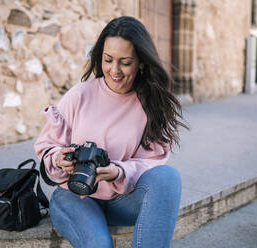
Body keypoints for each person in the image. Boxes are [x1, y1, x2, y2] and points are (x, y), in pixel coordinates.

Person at [34, 16, 188, 248]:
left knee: (168, 178)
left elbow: (153, 163)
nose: (114, 70)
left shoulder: (152, 104)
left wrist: (118, 172)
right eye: (108, 60)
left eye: (125, 62)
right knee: (99, 244)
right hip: (74, 196)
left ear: (141, 63)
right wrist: (58, 157)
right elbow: (48, 145)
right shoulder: (80, 95)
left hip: (122, 200)